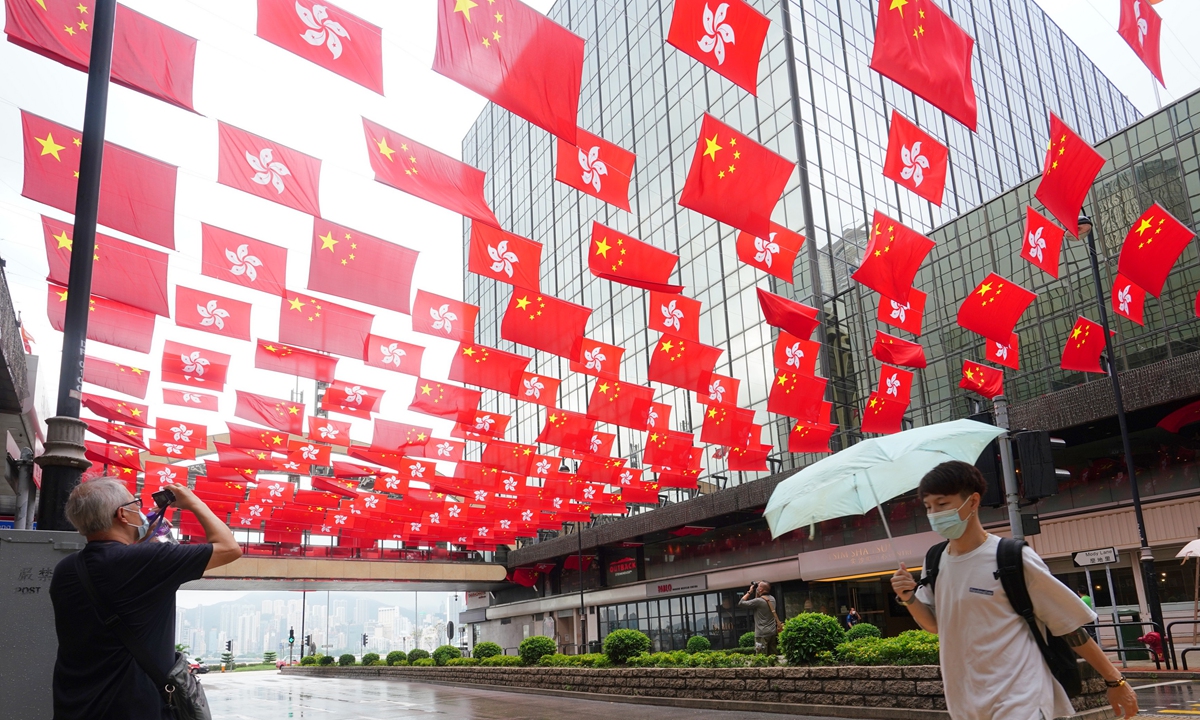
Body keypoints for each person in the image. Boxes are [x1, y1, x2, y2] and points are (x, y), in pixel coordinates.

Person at [891, 461, 1138, 720]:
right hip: (964, 700)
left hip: (1021, 697)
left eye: (942, 504)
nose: (934, 514)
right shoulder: (935, 560)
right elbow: (935, 625)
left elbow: (1068, 626)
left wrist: (1115, 681)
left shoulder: (1011, 558)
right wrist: (908, 598)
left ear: (973, 502)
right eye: (928, 507)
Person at [50, 478, 242, 719]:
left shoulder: (66, 569)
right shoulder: (146, 560)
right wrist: (193, 502)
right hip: (133, 708)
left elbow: (116, 576)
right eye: (136, 504)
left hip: (76, 706)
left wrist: (141, 542)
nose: (140, 510)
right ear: (122, 514)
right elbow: (229, 548)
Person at [738, 581, 780, 655]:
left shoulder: (759, 601)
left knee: (761, 657)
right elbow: (757, 602)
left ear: (761, 589)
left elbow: (741, 603)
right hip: (772, 632)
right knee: (772, 656)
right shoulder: (772, 599)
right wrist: (757, 591)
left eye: (758, 586)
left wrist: (749, 592)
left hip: (761, 634)